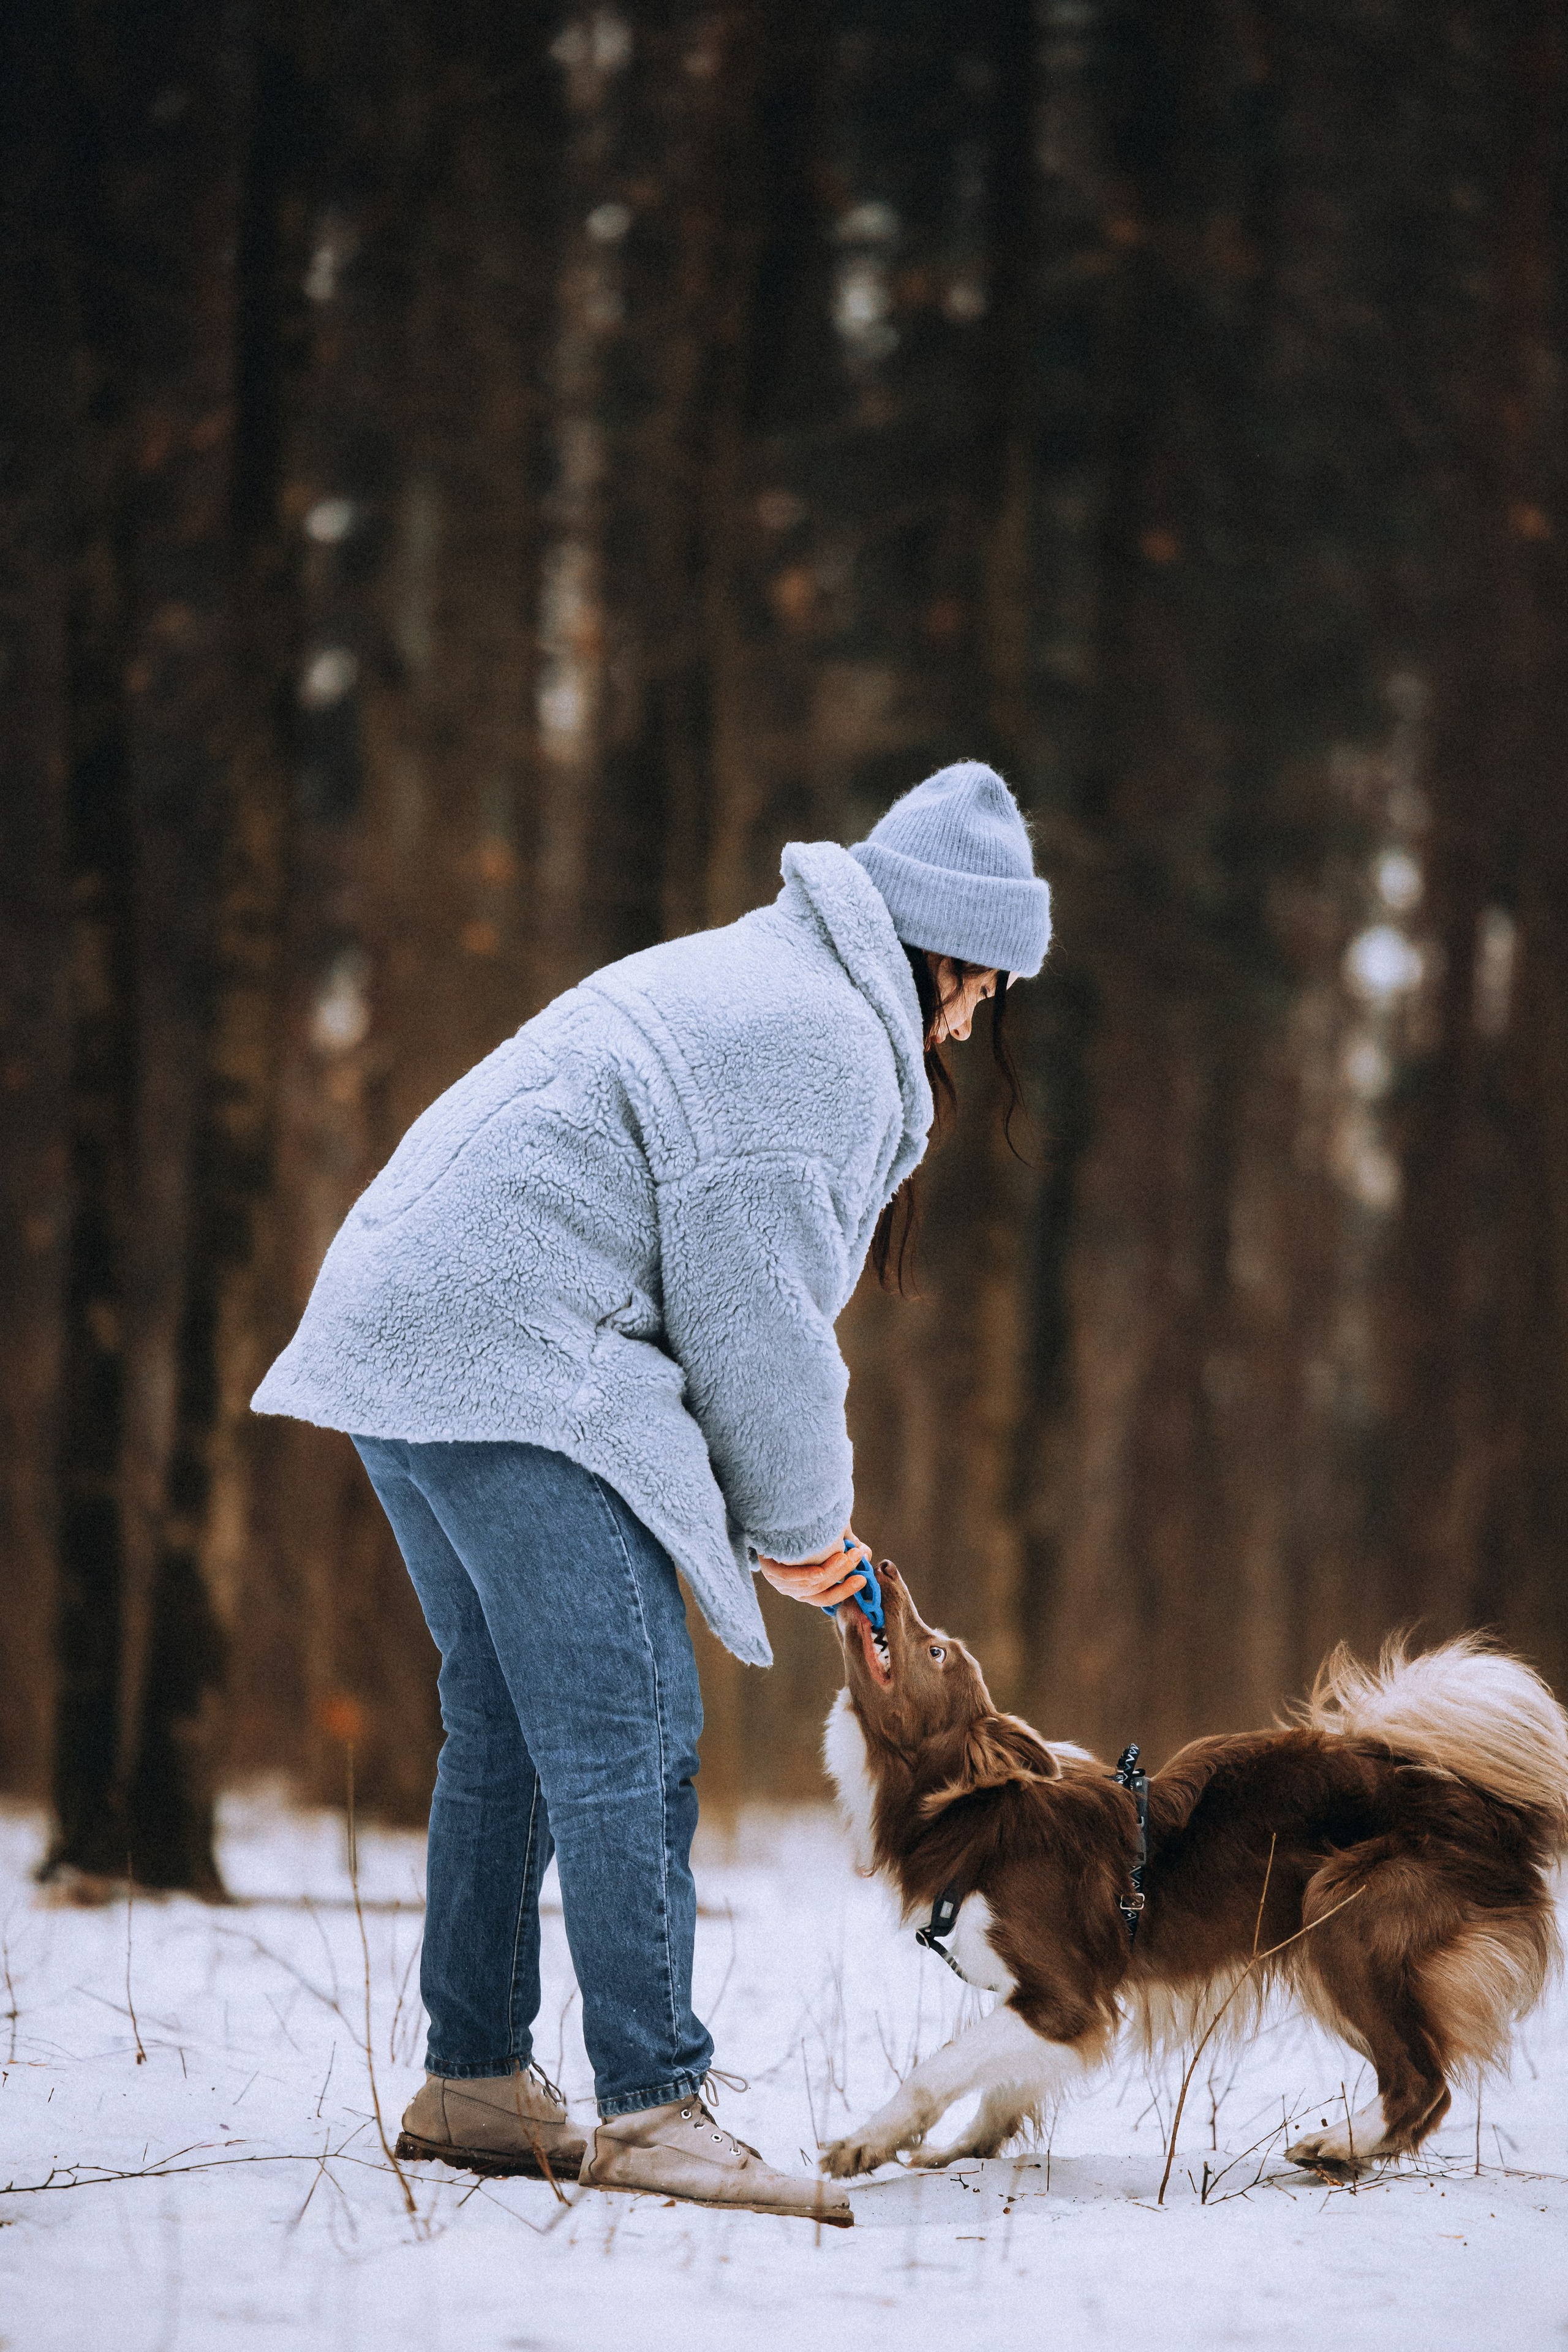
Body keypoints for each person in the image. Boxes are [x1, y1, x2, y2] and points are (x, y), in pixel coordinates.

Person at [251, 760, 1051, 2220]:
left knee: (503, 1716)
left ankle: (478, 2080)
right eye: (982, 984)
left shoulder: (763, 977)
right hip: (502, 1347)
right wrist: (806, 1533)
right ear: (938, 941)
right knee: (631, 1721)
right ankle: (651, 2103)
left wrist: (781, 1523)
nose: (972, 1014)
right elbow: (755, 1322)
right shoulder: (812, 1032)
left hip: (405, 1326)